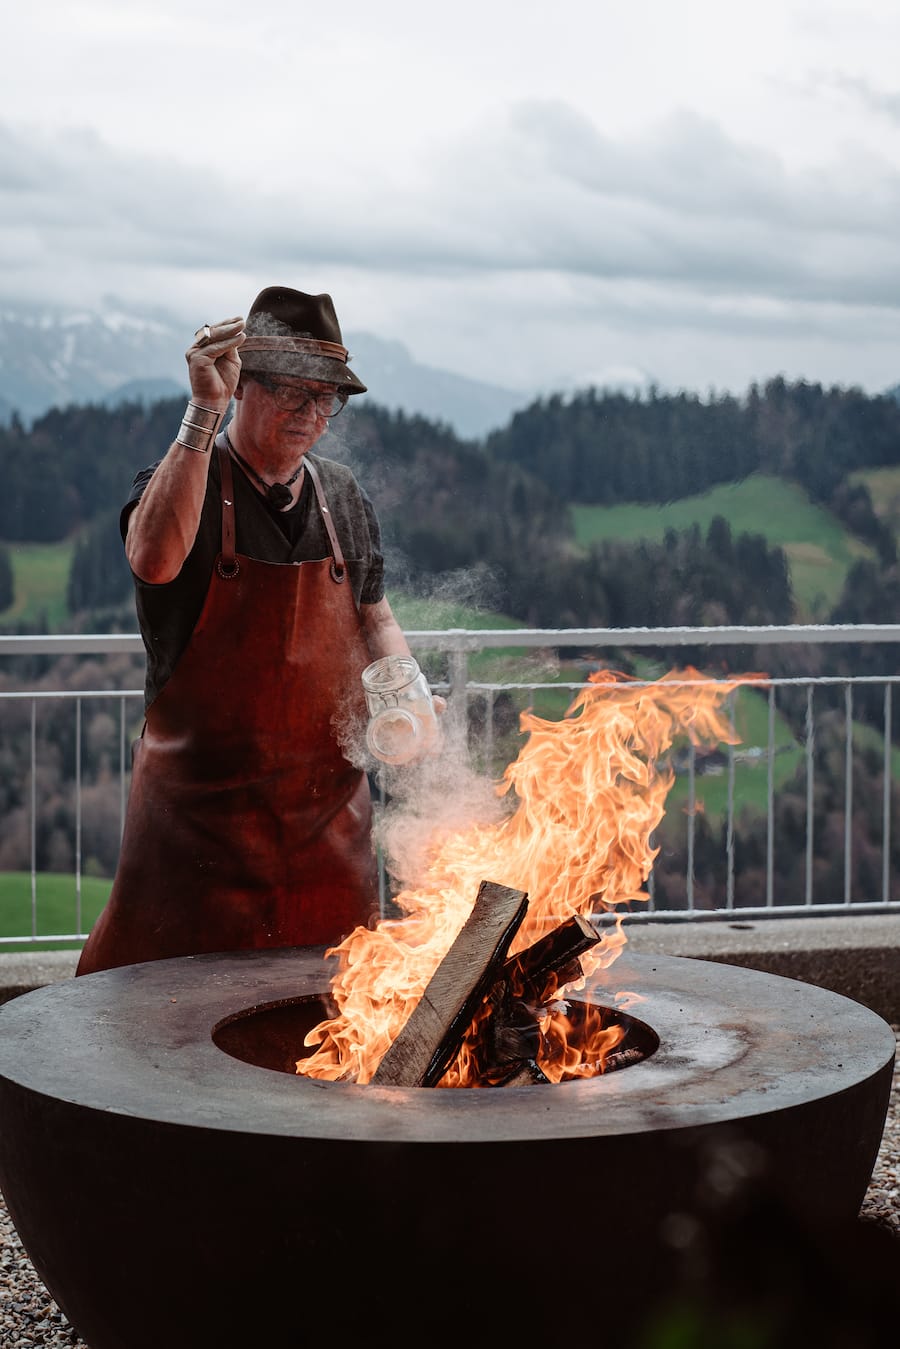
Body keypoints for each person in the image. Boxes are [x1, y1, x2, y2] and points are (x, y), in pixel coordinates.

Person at [77, 286, 416, 975]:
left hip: (327, 852)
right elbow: (152, 557)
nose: (312, 414)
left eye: (327, 398)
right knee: (164, 1050)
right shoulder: (186, 482)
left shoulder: (343, 496)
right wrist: (201, 413)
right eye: (294, 392)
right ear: (242, 387)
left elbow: (374, 614)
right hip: (194, 850)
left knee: (327, 1053)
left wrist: (409, 694)